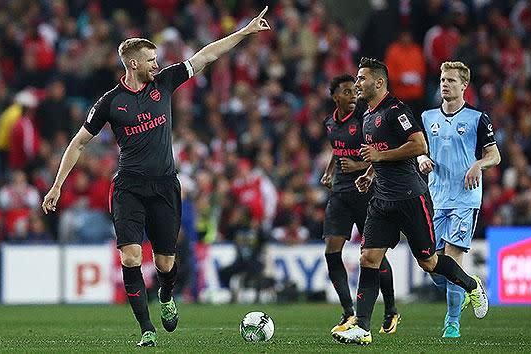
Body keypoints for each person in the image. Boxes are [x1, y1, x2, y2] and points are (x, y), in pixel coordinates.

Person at [41, 7, 271, 347]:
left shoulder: (164, 82)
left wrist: (244, 32)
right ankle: (146, 329)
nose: (157, 64)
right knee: (131, 257)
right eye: (151, 60)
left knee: (166, 263)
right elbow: (78, 143)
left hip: (165, 186)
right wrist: (56, 186)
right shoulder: (110, 103)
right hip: (129, 188)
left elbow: (206, 55)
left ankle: (165, 295)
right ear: (133, 63)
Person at [332, 57, 488, 346]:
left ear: (379, 82)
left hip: (410, 198)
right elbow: (379, 153)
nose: (357, 83)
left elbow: (419, 145)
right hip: (381, 200)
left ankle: (471, 284)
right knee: (368, 258)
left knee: (428, 262)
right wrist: (370, 173)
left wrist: (378, 158)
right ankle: (363, 328)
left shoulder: (396, 110)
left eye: (362, 78)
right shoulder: (367, 116)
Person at [418, 61, 500, 338]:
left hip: (465, 199)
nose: (445, 84)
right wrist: (422, 159)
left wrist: (478, 165)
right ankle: (470, 285)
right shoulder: (428, 117)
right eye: (442, 79)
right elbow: (420, 150)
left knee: (452, 258)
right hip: (436, 198)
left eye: (451, 80)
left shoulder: (478, 119)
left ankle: (452, 324)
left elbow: (494, 155)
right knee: (430, 264)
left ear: (464, 85)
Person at [320, 74, 400, 336]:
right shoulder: (330, 123)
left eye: (354, 91)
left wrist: (358, 166)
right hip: (340, 194)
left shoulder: (364, 121)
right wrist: (330, 171)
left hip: (367, 193)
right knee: (332, 250)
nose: (353, 95)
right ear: (335, 97)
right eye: (346, 92)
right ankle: (348, 311)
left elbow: (381, 153)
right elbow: (337, 148)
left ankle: (390, 309)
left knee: (374, 255)